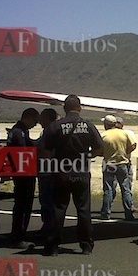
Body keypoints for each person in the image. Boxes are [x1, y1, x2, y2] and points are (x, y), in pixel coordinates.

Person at [42, 95, 103, 256]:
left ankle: (52, 246)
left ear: (64, 108)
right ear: (80, 108)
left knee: (58, 209)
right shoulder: (88, 125)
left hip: (61, 173)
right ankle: (86, 245)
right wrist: (87, 157)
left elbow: (46, 151)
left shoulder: (55, 126)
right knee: (83, 210)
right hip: (81, 174)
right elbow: (99, 149)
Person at [7, 108, 40, 249]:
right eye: (35, 121)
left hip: (23, 173)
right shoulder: (19, 132)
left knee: (24, 205)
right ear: (29, 118)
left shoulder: (20, 131)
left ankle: (21, 233)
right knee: (22, 205)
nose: (35, 124)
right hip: (23, 174)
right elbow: (23, 152)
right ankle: (18, 237)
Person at [100, 114, 135, 220]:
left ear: (106, 124)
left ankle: (106, 213)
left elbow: (99, 149)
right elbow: (133, 145)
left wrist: (105, 154)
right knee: (125, 189)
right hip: (122, 163)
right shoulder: (124, 133)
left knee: (108, 189)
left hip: (109, 163)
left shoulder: (104, 135)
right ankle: (128, 212)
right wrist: (124, 153)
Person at [35, 108, 58, 237]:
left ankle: (49, 228)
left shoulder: (49, 131)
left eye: (41, 118)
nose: (39, 121)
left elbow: (42, 147)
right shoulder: (52, 130)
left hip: (47, 171)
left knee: (47, 200)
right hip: (50, 170)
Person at [115, 116, 138, 213]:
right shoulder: (128, 133)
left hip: (121, 162)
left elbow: (133, 145)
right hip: (123, 162)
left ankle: (129, 207)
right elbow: (133, 145)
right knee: (122, 187)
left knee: (126, 186)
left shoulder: (127, 133)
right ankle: (128, 208)